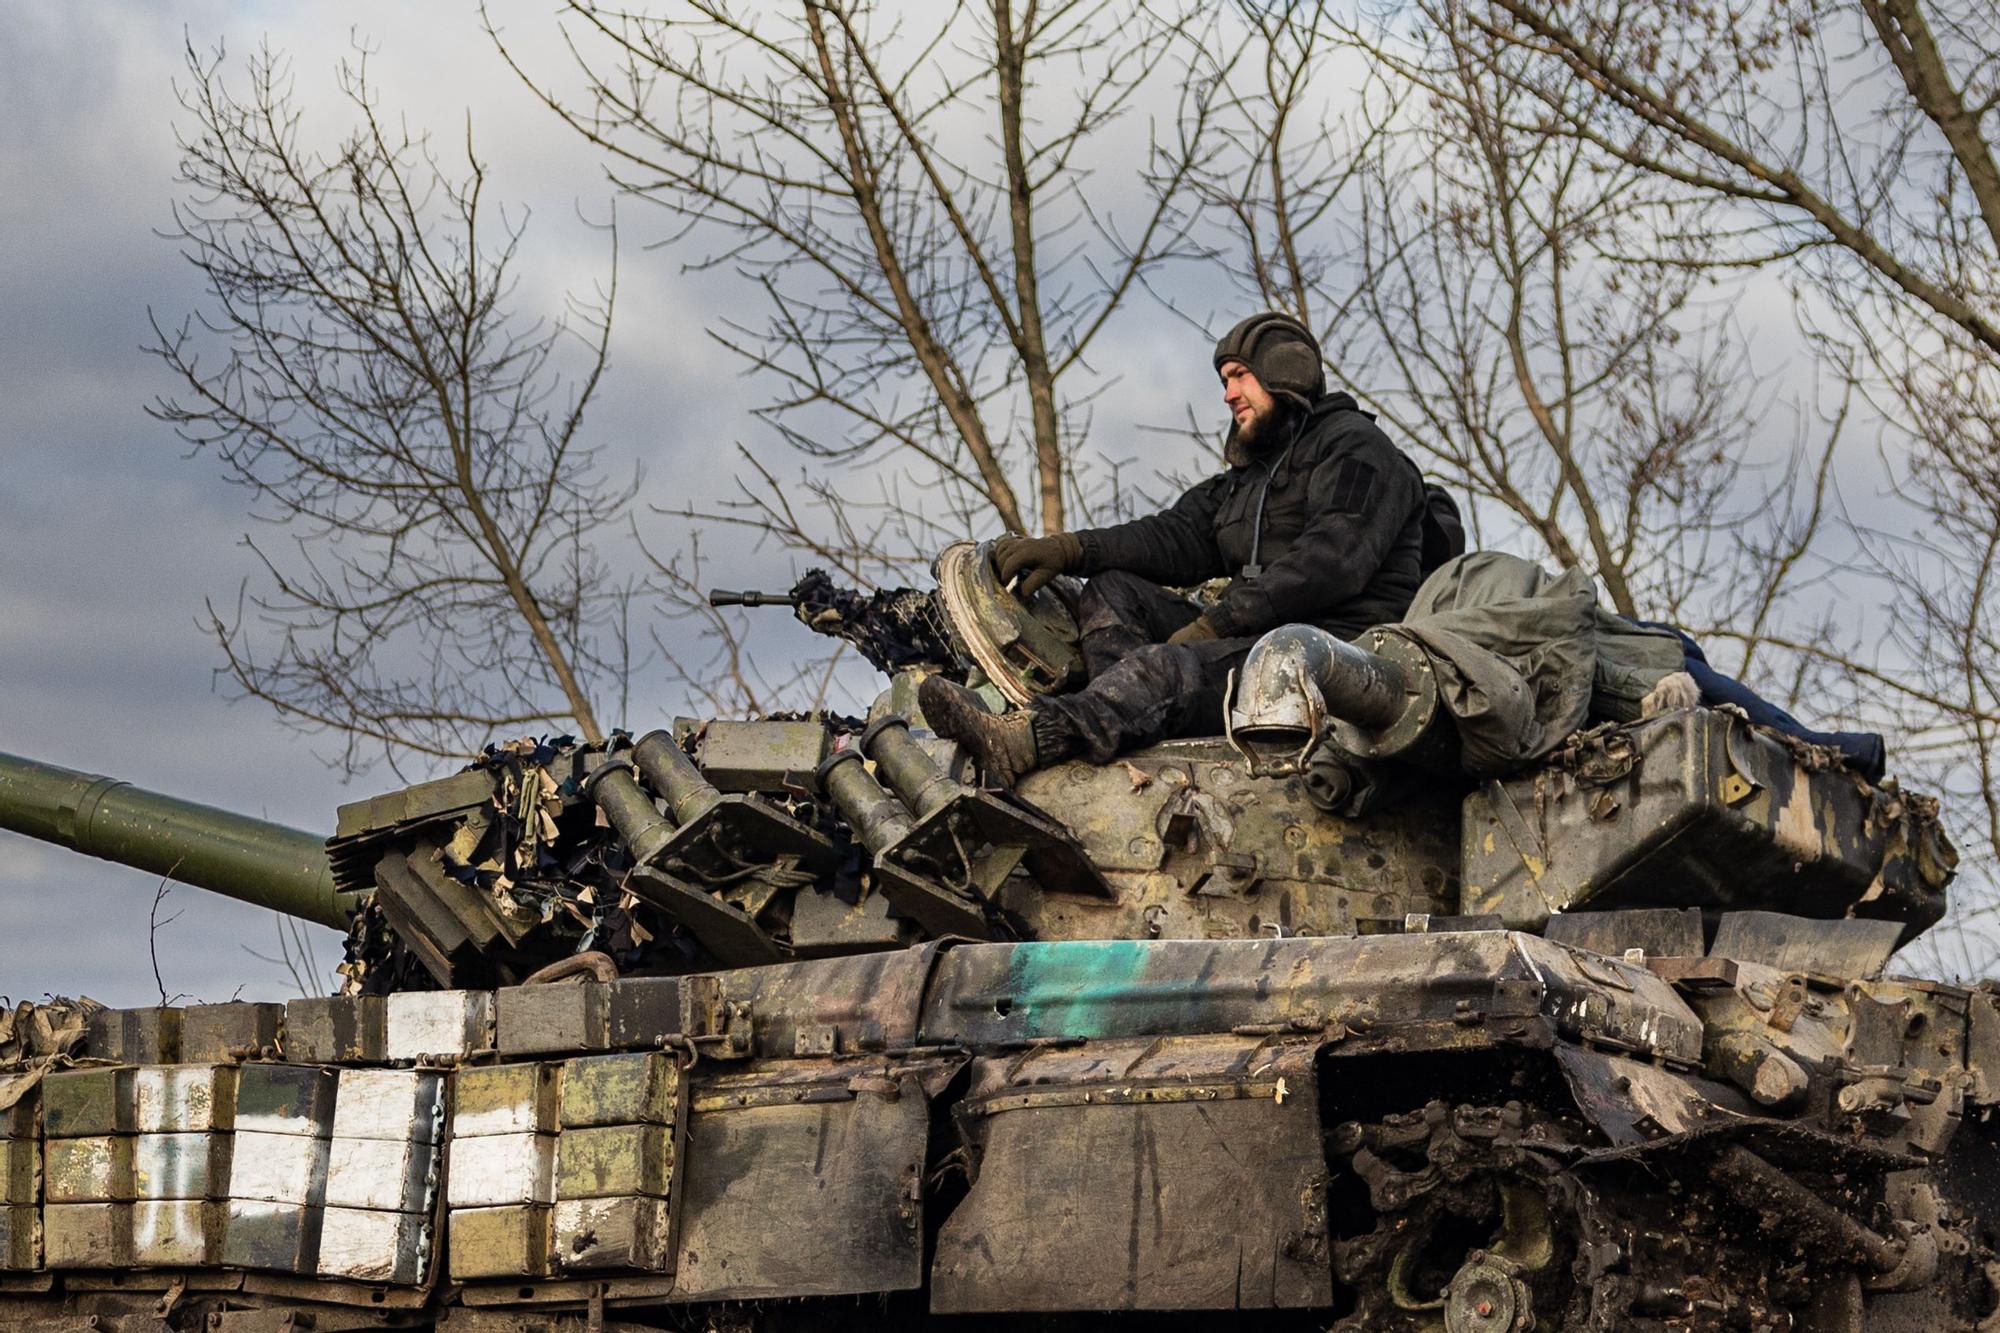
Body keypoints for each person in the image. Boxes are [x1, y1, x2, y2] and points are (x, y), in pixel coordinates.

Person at [920, 311, 1432, 784]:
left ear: (1283, 372)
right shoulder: (1249, 479)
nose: (1229, 394)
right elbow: (1174, 536)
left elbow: (1331, 562)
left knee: (1166, 669)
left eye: (1239, 375)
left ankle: (1026, 742)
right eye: (1224, 381)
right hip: (1250, 641)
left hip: (1330, 661)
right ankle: (1128, 729)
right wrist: (1070, 549)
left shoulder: (1359, 450)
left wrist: (1218, 623)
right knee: (1114, 591)